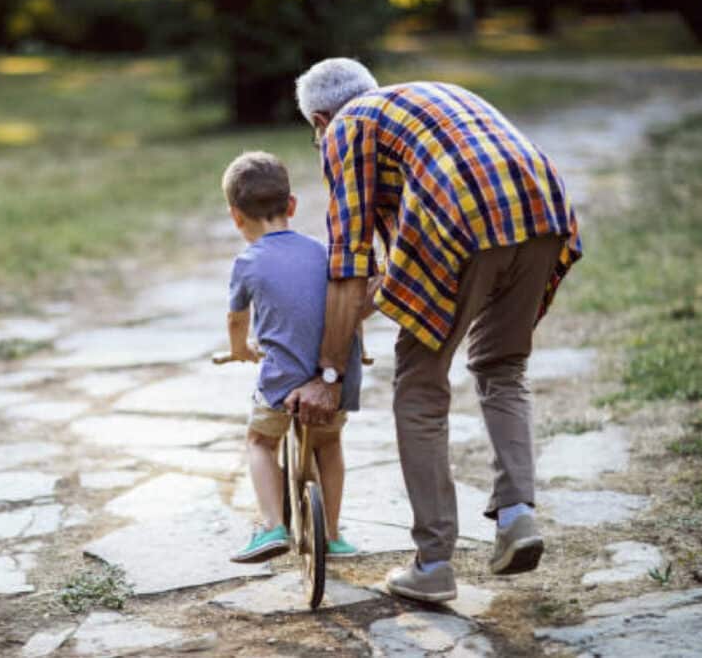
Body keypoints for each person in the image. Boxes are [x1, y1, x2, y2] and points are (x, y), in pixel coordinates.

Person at [286, 59, 582, 602]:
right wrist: (345, 320)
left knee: (420, 387)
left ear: (320, 121)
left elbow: (349, 261)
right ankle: (517, 516)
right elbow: (389, 277)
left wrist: (328, 371)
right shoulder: (429, 94)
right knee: (501, 365)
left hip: (463, 220)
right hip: (545, 209)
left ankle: (433, 563)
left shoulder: (346, 129)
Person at [221, 151, 363, 563]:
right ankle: (333, 535)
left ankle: (271, 526)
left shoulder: (247, 262)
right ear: (292, 205)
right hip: (331, 376)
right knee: (330, 443)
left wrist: (238, 350)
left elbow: (236, 318)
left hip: (281, 379)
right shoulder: (321, 252)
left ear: (236, 216)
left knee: (260, 441)